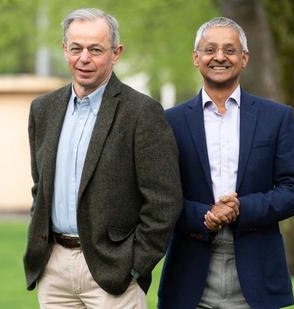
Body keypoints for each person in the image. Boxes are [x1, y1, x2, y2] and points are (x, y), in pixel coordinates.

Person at [22, 7, 182, 309]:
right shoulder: (43, 109)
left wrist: (134, 266)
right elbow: (40, 186)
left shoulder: (141, 113)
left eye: (95, 50)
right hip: (53, 268)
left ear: (116, 53)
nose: (84, 58)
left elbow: (164, 201)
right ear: (64, 50)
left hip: (113, 272)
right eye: (76, 48)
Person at [157, 17, 294, 309]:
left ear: (245, 58)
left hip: (257, 271)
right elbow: (160, 196)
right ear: (196, 57)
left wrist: (242, 209)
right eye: (210, 49)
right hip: (189, 273)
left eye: (230, 50)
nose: (219, 57)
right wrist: (205, 215)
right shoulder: (169, 121)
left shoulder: (277, 118)